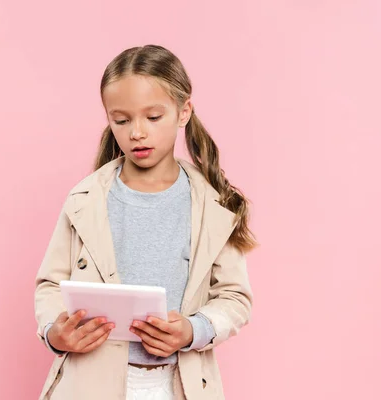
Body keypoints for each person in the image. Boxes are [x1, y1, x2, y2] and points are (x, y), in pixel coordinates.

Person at [34, 44, 256, 400]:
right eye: (121, 120)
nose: (137, 132)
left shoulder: (215, 204)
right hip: (90, 384)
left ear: (183, 112)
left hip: (178, 383)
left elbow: (234, 297)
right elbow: (50, 285)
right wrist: (53, 331)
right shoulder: (84, 200)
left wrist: (193, 329)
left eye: (153, 117)